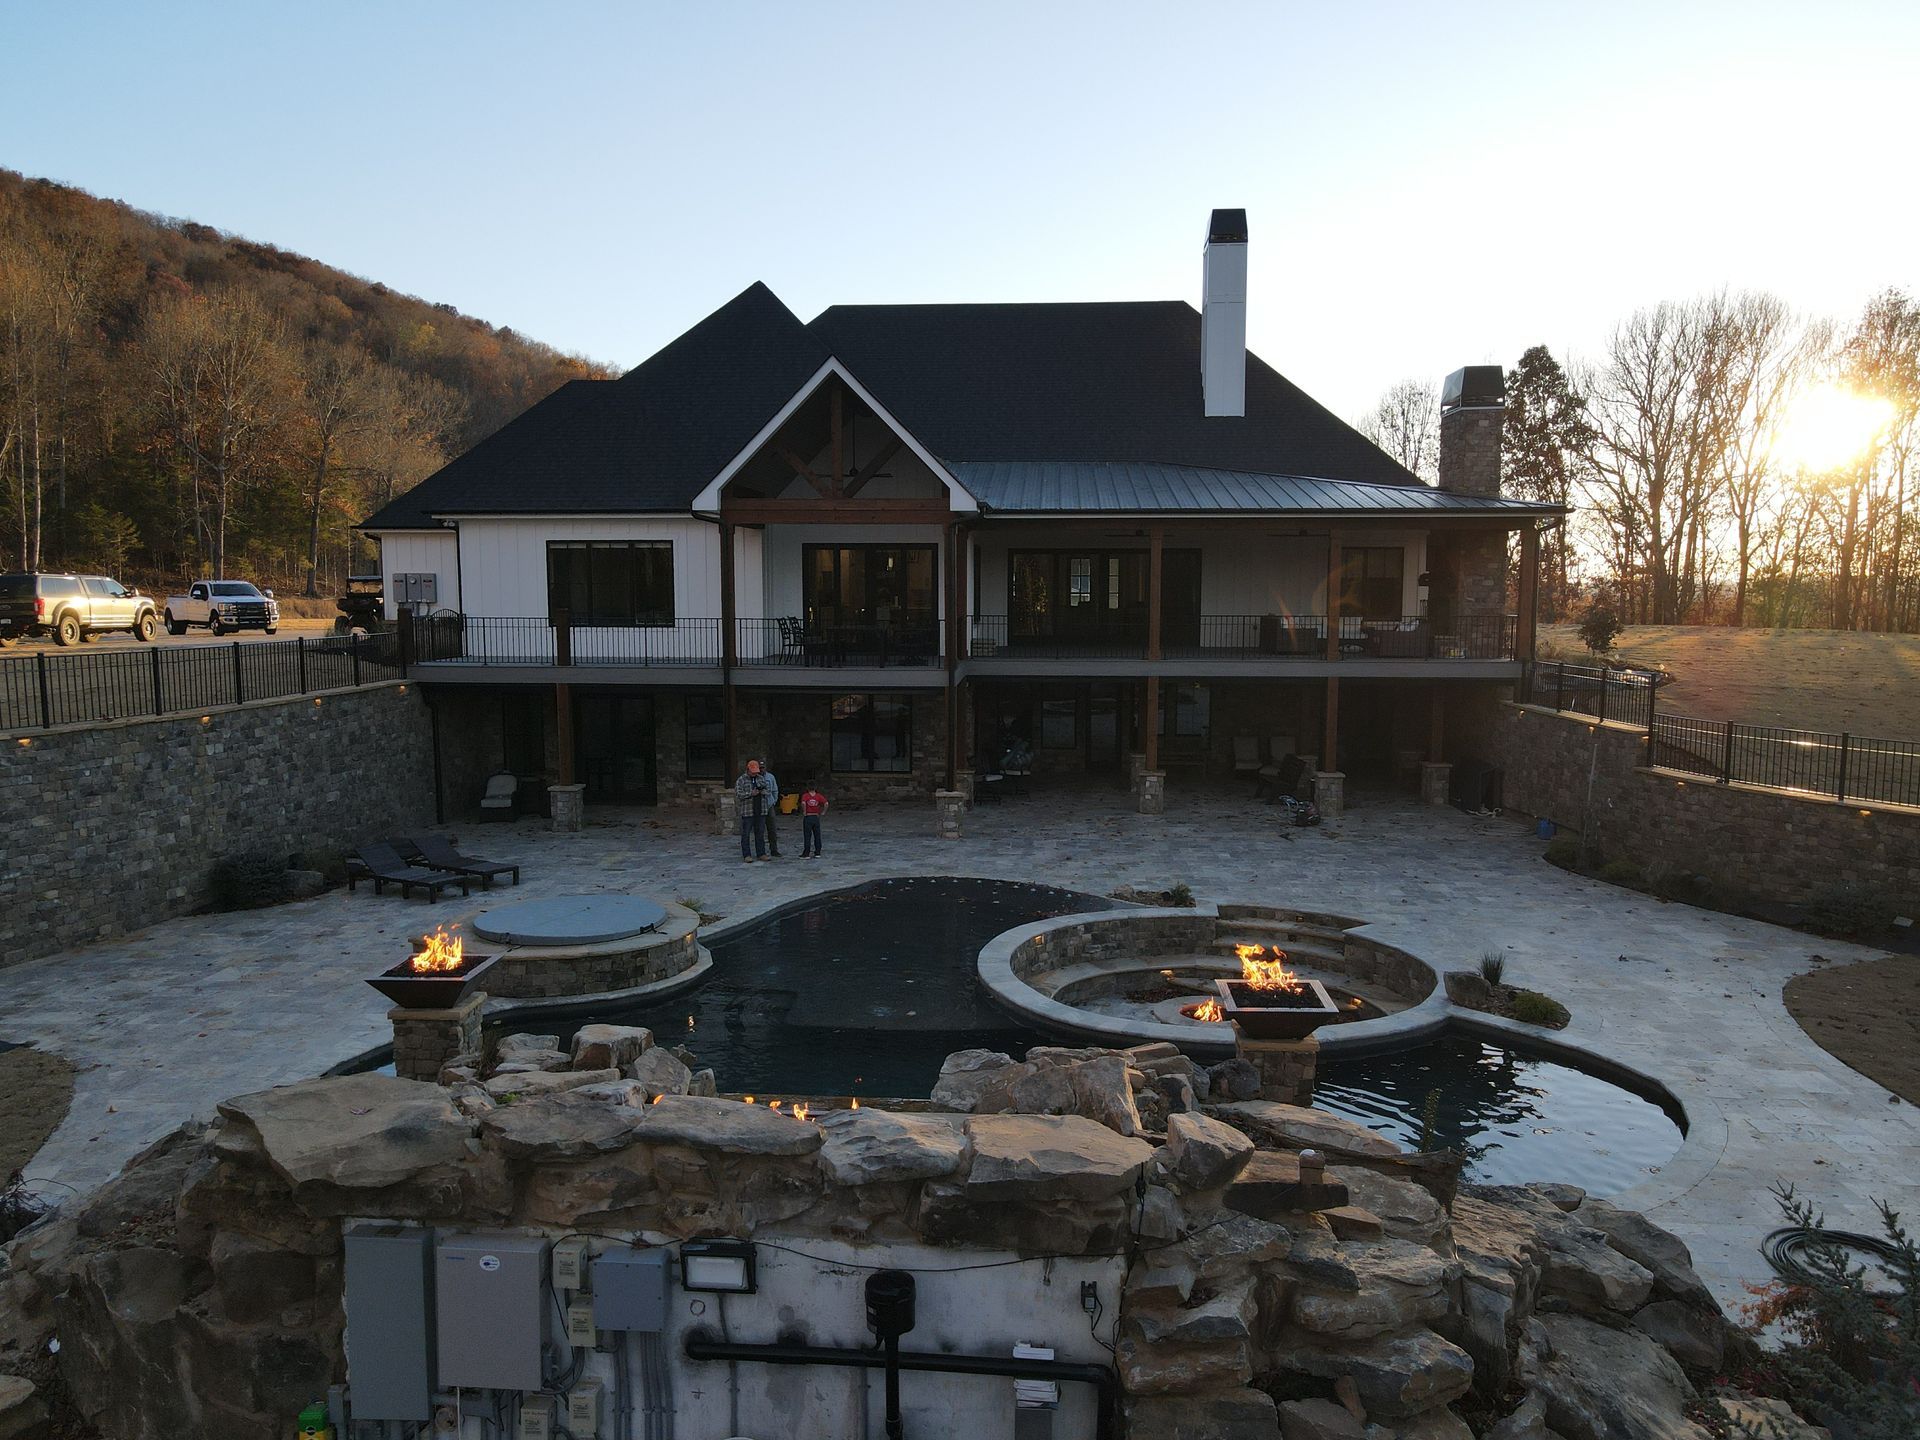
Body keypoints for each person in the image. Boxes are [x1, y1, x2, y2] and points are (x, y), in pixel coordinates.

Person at [735, 759, 772, 863]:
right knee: (746, 833)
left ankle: (761, 853)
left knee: (760, 833)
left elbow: (768, 791)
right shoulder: (741, 780)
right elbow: (739, 794)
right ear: (748, 770)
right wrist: (751, 793)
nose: (755, 774)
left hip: (760, 810)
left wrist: (762, 791)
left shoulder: (761, 778)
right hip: (748, 811)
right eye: (753, 772)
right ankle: (747, 855)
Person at [760, 761, 784, 858]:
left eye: (763, 767)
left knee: (772, 829)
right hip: (760, 807)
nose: (761, 769)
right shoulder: (754, 777)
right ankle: (761, 851)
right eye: (760, 767)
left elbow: (775, 790)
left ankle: (774, 849)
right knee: (760, 829)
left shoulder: (770, 777)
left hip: (769, 806)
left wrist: (773, 801)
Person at [799, 779, 829, 857]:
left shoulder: (805, 795)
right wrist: (823, 812)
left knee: (807, 835)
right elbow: (826, 803)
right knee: (817, 835)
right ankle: (818, 851)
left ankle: (806, 853)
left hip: (808, 816)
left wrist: (804, 811)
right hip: (816, 816)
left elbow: (803, 803)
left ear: (807, 787)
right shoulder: (818, 796)